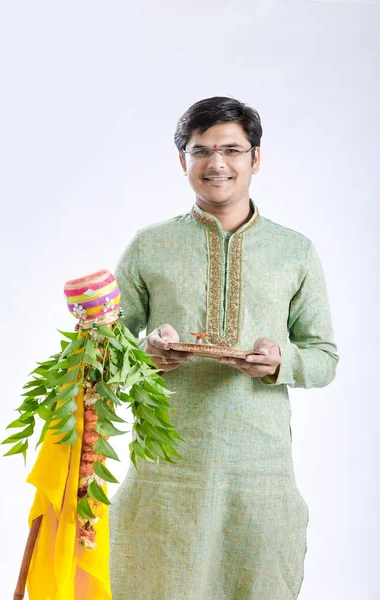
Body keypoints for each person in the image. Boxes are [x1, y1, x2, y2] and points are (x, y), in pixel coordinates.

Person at [108, 96, 339, 600]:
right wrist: (147, 354)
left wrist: (282, 361)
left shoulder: (294, 250)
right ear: (182, 161)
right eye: (201, 151)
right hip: (166, 472)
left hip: (260, 473)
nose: (217, 164)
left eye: (232, 150)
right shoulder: (148, 246)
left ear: (256, 158)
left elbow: (324, 356)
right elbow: (104, 351)